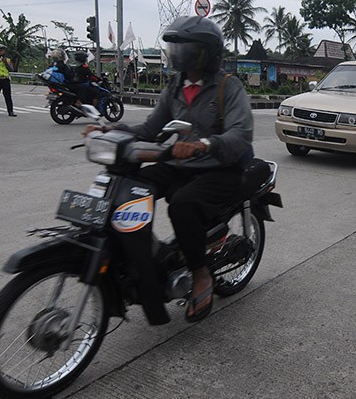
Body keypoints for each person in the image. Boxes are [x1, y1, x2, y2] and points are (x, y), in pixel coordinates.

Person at [82, 16, 253, 322]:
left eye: (186, 48)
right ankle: (138, 259)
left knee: (183, 206)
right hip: (181, 163)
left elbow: (240, 134)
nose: (178, 54)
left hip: (220, 167)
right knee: (130, 186)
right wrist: (110, 129)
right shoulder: (176, 85)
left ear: (206, 52)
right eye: (175, 47)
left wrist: (204, 144)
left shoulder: (229, 86)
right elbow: (150, 128)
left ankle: (200, 274)